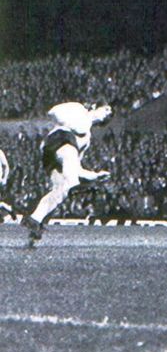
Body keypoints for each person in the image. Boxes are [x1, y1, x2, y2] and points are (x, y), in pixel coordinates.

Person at [21, 102, 113, 248]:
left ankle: (35, 222)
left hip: (55, 155)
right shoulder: (78, 110)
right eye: (106, 109)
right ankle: (74, 185)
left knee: (59, 192)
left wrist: (95, 175)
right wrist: (71, 116)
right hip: (59, 139)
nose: (107, 114)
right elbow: (52, 111)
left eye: (109, 114)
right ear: (95, 106)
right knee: (70, 163)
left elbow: (77, 167)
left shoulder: (86, 139)